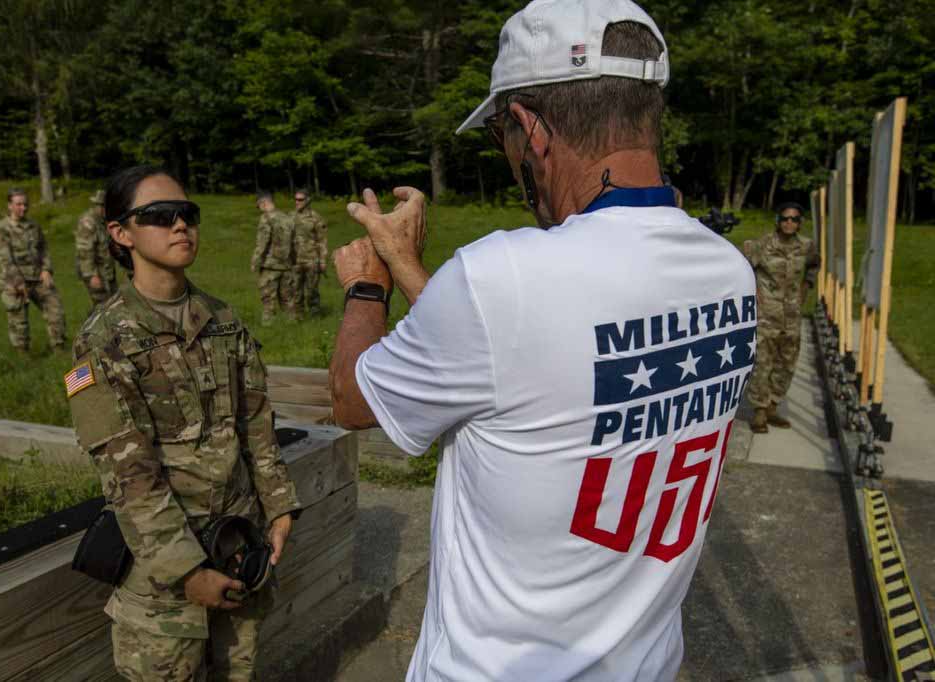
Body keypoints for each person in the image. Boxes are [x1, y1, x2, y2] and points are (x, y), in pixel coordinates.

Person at [328, 1, 757, 679]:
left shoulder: (501, 279)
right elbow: (528, 357)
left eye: (499, 132)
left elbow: (355, 401)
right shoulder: (727, 271)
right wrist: (418, 270)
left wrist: (368, 285)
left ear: (529, 128)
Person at [66, 166, 300, 681]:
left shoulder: (223, 321)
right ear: (121, 234)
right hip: (165, 581)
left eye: (187, 214)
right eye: (159, 216)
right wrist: (187, 571)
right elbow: (127, 473)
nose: (179, 226)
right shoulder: (105, 341)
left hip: (239, 551)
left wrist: (279, 505)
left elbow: (256, 423)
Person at [742, 201, 819, 433]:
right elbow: (744, 267)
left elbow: (814, 265)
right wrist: (753, 291)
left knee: (786, 363)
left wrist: (806, 287)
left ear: (800, 223)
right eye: (785, 218)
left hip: (792, 316)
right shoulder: (762, 245)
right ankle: (759, 412)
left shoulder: (806, 246)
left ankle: (773, 406)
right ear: (778, 220)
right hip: (766, 315)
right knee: (762, 363)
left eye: (794, 219)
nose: (789, 222)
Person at [0, 187, 66, 352]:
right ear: (9, 205)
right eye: (18, 204)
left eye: (25, 204)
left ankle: (59, 348)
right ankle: (22, 353)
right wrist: (18, 282)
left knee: (56, 310)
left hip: (37, 278)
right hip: (14, 280)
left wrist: (46, 269)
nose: (23, 208)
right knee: (19, 320)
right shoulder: (2, 229)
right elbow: (6, 260)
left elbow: (43, 249)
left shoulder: (34, 226)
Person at [250, 192, 297, 325]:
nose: (259, 209)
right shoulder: (288, 218)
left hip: (270, 266)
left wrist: (255, 260)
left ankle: (268, 325)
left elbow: (262, 242)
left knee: (268, 299)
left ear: (263, 203)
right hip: (287, 265)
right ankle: (292, 325)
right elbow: (294, 243)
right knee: (287, 299)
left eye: (259, 206)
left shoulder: (266, 218)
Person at [74, 189, 118, 307]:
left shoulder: (104, 221)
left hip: (106, 271)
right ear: (99, 206)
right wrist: (92, 275)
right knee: (102, 307)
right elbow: (84, 251)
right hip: (95, 272)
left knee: (112, 304)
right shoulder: (88, 223)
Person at [290, 189, 328, 316]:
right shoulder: (290, 217)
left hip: (312, 260)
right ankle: (298, 316)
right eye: (295, 199)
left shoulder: (316, 218)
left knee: (312, 290)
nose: (297, 202)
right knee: (295, 290)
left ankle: (315, 314)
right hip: (294, 261)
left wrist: (322, 260)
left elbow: (322, 240)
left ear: (307, 200)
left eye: (300, 199)